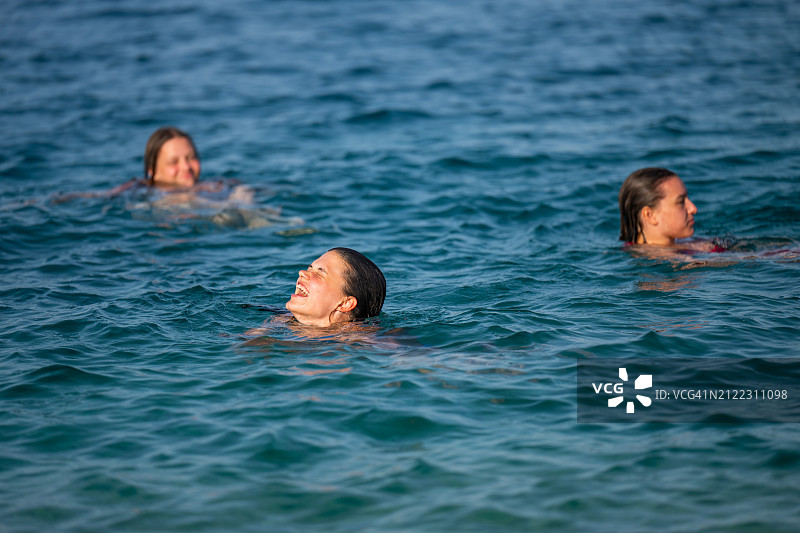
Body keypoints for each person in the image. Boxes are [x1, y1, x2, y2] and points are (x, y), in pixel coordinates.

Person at [286, 248, 386, 327]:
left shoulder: (367, 342)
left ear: (345, 303)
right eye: (310, 268)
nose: (302, 272)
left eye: (320, 273)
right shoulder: (279, 320)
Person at [618, 167, 698, 246]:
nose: (693, 209)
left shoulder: (687, 245)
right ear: (650, 215)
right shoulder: (683, 257)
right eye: (681, 202)